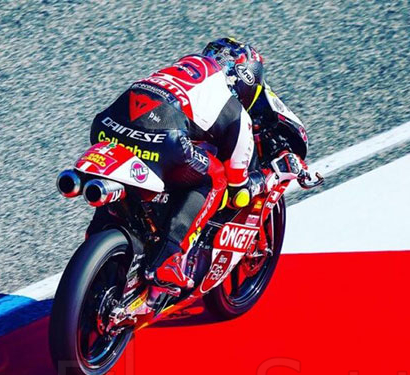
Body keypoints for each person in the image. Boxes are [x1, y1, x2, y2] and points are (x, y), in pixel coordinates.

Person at [87, 37, 313, 289]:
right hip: (163, 139)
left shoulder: (186, 69)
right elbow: (238, 190)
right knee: (216, 177)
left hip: (106, 125)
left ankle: (98, 235)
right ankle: (169, 257)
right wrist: (267, 177)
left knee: (127, 187)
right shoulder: (236, 111)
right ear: (248, 82)